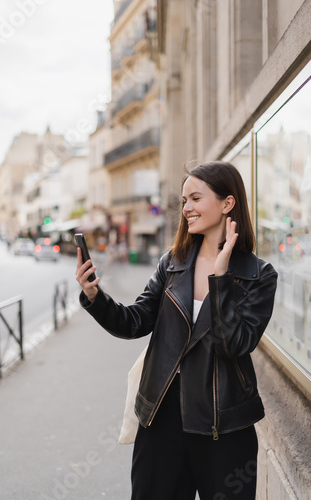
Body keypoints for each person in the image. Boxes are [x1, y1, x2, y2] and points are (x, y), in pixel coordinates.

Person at [76, 161, 278, 500]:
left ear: (228, 203)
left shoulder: (259, 275)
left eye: (196, 198)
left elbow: (234, 345)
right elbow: (134, 321)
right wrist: (95, 296)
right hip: (162, 418)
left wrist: (221, 277)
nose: (186, 208)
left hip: (224, 424)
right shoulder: (172, 262)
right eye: (184, 200)